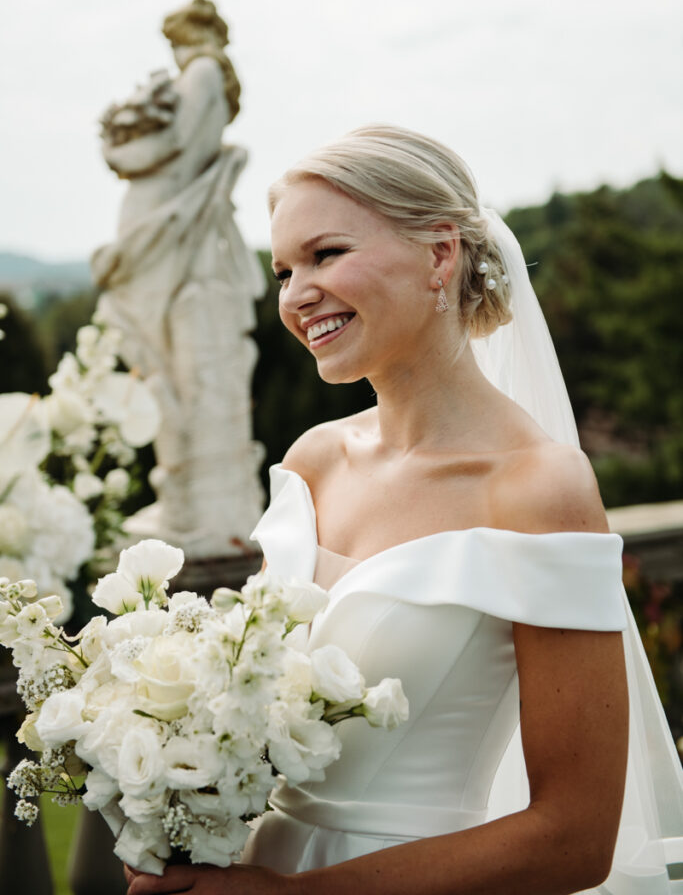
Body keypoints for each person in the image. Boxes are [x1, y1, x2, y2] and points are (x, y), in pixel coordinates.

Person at [126, 125, 683, 894]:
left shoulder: (534, 489)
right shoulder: (311, 462)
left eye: (325, 255)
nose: (295, 295)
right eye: (283, 270)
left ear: (439, 255)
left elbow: (575, 836)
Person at [93, 0, 265, 557]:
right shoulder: (202, 74)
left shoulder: (202, 72)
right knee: (161, 364)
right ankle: (186, 496)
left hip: (178, 236)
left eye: (176, 40)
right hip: (174, 234)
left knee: (177, 367)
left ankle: (202, 506)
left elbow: (173, 143)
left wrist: (116, 145)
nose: (174, 52)